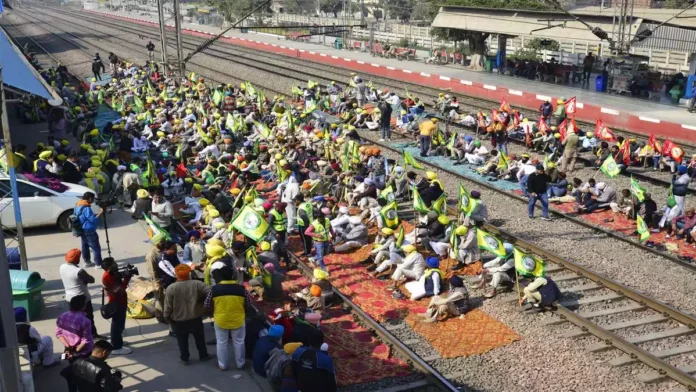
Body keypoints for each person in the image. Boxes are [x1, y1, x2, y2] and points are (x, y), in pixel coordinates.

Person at [204, 266, 255, 371]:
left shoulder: (214, 290)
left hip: (220, 319)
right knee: (239, 342)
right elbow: (249, 305)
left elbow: (207, 305)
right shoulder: (241, 289)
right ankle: (240, 364)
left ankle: (222, 365)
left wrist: (214, 312)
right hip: (238, 319)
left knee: (221, 342)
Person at [164, 264, 213, 365]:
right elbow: (211, 293)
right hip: (195, 317)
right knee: (200, 338)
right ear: (189, 274)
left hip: (178, 320)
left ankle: (184, 359)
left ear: (176, 275)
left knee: (182, 341)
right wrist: (203, 303)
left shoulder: (171, 288)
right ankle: (203, 355)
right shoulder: (197, 284)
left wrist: (168, 318)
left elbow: (168, 307)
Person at [60, 248, 98, 337]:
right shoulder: (79, 271)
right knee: (88, 319)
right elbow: (91, 280)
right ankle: (92, 335)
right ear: (77, 259)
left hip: (69, 298)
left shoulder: (62, 267)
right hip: (82, 299)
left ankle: (77, 336)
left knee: (75, 319)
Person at [101, 257, 132, 355]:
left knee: (120, 324)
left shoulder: (112, 274)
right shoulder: (107, 277)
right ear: (109, 266)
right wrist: (127, 278)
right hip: (116, 303)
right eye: (113, 263)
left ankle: (118, 342)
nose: (116, 264)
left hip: (121, 301)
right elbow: (120, 290)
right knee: (116, 325)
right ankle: (116, 347)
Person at [56, 294, 94, 359]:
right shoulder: (85, 321)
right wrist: (75, 353)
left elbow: (58, 334)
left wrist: (68, 347)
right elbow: (86, 340)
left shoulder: (62, 316)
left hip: (69, 348)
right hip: (84, 351)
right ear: (83, 306)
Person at [75, 192, 104, 268]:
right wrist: (100, 213)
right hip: (89, 230)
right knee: (96, 248)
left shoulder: (78, 204)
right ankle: (98, 264)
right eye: (93, 199)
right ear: (90, 198)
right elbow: (93, 219)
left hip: (81, 229)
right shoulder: (86, 208)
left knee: (85, 246)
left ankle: (87, 262)